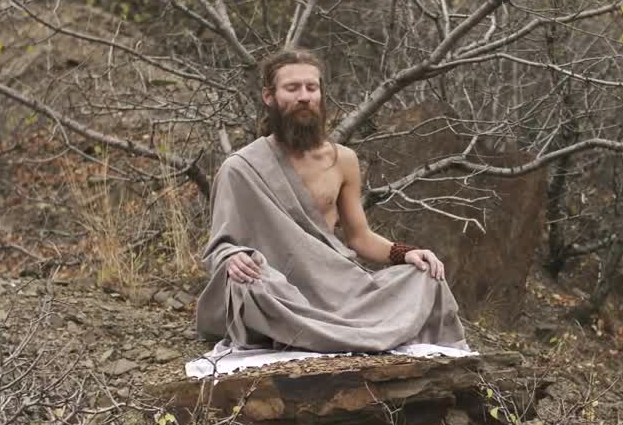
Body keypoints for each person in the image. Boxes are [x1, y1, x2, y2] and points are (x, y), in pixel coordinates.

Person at [194, 48, 469, 354]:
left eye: (312, 88)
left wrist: (406, 253)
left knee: (425, 276)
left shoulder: (344, 160)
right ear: (269, 96)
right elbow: (221, 246)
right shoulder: (240, 168)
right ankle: (343, 333)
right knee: (248, 283)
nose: (304, 96)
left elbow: (359, 237)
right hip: (282, 295)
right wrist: (232, 258)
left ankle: (319, 333)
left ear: (321, 95)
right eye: (292, 88)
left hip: (340, 288)